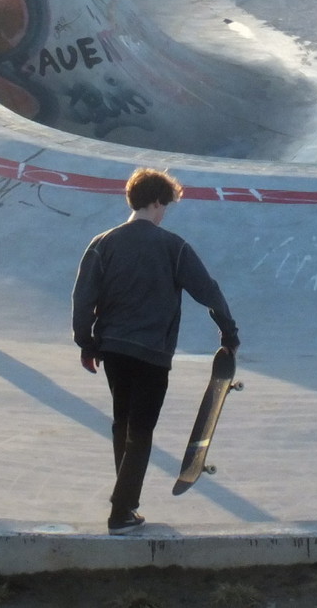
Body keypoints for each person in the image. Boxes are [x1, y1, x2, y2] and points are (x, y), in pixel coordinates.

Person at [72, 167, 240, 534]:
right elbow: (207, 290)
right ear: (155, 202)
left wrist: (86, 342)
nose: (165, 213)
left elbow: (83, 297)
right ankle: (121, 511)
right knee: (141, 430)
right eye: (166, 206)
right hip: (151, 352)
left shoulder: (102, 243)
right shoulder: (172, 247)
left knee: (124, 423)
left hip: (113, 349)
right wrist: (228, 332)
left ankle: (126, 502)